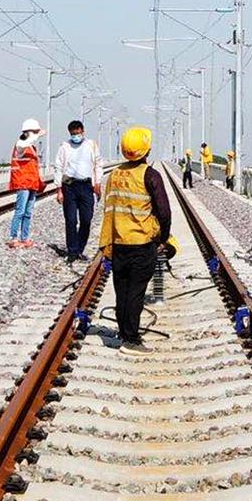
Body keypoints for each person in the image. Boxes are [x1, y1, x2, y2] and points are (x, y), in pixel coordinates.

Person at [102, 126, 172, 347]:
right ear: (147, 149)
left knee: (121, 290)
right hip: (141, 243)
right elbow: (164, 211)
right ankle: (131, 338)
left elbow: (109, 207)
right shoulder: (150, 175)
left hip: (119, 241)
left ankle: (123, 331)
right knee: (135, 292)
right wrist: (163, 238)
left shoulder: (114, 175)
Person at [53, 119, 104, 260]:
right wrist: (59, 190)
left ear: (83, 131)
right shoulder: (65, 147)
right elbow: (58, 167)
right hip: (69, 186)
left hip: (87, 186)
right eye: (73, 134)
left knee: (86, 219)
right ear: (70, 133)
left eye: (78, 133)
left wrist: (98, 183)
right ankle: (72, 251)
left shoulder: (91, 145)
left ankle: (80, 247)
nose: (76, 136)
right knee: (70, 220)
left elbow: (99, 164)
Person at [5, 120, 43, 248]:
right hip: (23, 183)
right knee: (20, 211)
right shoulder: (21, 144)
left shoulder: (32, 147)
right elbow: (24, 144)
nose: (36, 134)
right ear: (27, 132)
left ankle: (25, 238)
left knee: (28, 213)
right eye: (35, 132)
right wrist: (37, 135)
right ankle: (13, 237)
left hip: (32, 183)